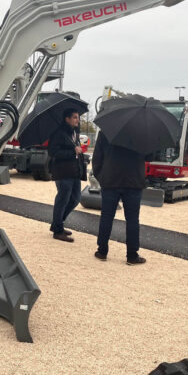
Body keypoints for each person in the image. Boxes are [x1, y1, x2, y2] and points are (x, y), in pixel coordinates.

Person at [92, 131, 147, 265]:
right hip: (133, 180)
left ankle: (102, 251)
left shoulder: (106, 130)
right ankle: (132, 255)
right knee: (133, 219)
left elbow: (97, 157)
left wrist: (101, 177)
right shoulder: (141, 132)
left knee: (106, 216)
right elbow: (149, 156)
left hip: (110, 180)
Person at [47, 109, 85, 242]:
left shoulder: (74, 132)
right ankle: (58, 230)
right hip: (63, 172)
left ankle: (57, 223)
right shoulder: (59, 133)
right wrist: (72, 151)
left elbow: (76, 151)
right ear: (67, 119)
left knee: (75, 199)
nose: (77, 120)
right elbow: (53, 152)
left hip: (74, 171)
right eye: (75, 117)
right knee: (62, 200)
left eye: (78, 117)